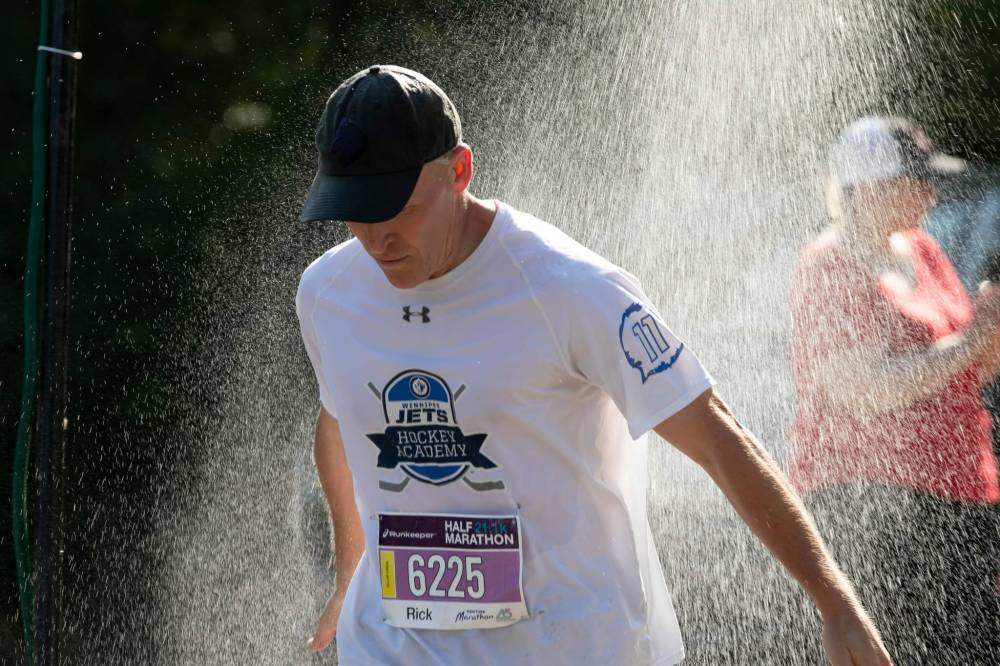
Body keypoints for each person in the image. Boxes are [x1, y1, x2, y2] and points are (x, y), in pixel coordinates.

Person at [295, 65, 890, 666]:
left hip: (570, 645)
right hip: (395, 647)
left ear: (459, 172)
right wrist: (350, 576)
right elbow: (340, 422)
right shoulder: (328, 293)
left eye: (398, 209)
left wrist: (834, 599)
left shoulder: (569, 289)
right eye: (355, 212)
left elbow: (717, 437)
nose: (377, 240)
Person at [788, 116, 1000, 665]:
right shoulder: (826, 267)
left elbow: (968, 373)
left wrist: (990, 335)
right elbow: (860, 387)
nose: (931, 191)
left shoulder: (922, 250)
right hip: (872, 507)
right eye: (915, 180)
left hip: (959, 493)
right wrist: (971, 338)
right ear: (866, 189)